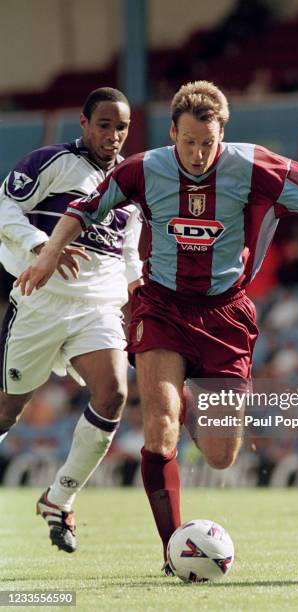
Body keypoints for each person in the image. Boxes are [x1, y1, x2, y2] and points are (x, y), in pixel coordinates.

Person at [16, 80, 298, 573]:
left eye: (207, 143)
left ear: (222, 134)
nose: (198, 154)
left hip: (226, 315)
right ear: (172, 133)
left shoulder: (254, 166)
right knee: (160, 427)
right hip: (161, 308)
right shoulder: (143, 169)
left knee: (220, 454)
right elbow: (82, 210)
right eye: (188, 142)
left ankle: (183, 396)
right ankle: (172, 551)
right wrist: (48, 253)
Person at [0, 87, 142, 553]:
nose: (113, 135)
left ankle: (59, 498)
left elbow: (127, 255)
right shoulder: (51, 161)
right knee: (7, 410)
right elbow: (3, 206)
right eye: (104, 125)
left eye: (120, 127)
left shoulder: (130, 184)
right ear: (84, 124)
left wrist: (136, 291)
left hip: (97, 307)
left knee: (115, 391)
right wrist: (42, 246)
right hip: (40, 302)